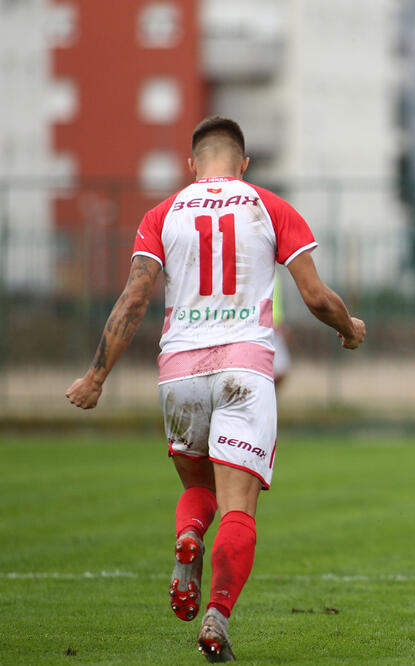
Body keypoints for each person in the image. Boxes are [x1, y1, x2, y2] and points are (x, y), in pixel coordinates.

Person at [66, 116, 365, 662]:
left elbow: (133, 301)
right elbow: (317, 297)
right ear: (243, 163)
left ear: (191, 164)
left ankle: (187, 539)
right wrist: (349, 328)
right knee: (237, 510)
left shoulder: (162, 214)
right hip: (244, 369)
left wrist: (96, 377)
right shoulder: (268, 206)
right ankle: (217, 617)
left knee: (197, 489)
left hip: (178, 373)